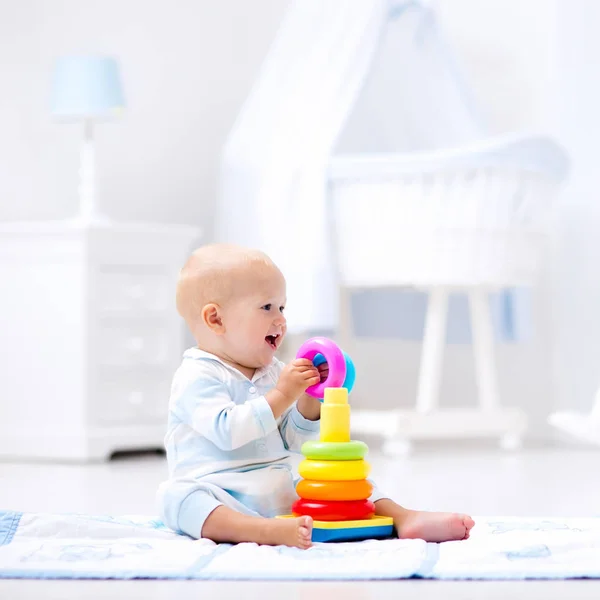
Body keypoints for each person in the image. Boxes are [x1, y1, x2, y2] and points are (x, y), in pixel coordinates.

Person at [157, 244, 475, 548]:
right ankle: (261, 531)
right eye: (267, 307)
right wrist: (283, 393)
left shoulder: (272, 372)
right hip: (219, 492)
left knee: (345, 484)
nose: (280, 319)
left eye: (282, 307)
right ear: (216, 319)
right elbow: (229, 431)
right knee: (178, 498)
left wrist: (308, 400)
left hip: (277, 490)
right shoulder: (197, 376)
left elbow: (294, 441)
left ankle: (404, 518)